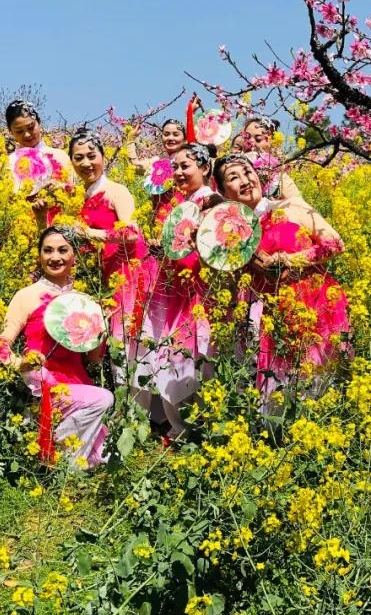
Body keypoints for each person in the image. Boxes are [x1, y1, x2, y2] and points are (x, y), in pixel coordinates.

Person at [213, 154, 349, 413]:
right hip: (276, 320)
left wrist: (289, 260)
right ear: (223, 191)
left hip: (319, 307)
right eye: (233, 177)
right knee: (280, 405)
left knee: (325, 397)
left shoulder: (291, 206)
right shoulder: (234, 232)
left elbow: (334, 244)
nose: (245, 180)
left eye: (247, 172)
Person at [0, 225, 111, 468]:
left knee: (108, 456)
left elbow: (93, 360)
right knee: (104, 399)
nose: (55, 257)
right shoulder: (26, 295)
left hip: (75, 381)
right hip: (41, 381)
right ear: (39, 255)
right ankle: (58, 455)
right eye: (47, 250)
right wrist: (22, 364)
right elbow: (1, 344)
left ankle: (60, 458)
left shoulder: (85, 300)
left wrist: (102, 329)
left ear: (74, 256)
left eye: (62, 250)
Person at [135, 143, 221, 438]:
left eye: (187, 166)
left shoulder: (213, 203)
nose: (180, 172)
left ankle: (197, 429)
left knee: (195, 358)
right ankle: (180, 428)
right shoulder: (176, 205)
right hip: (172, 289)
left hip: (200, 292)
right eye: (176, 168)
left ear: (205, 168)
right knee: (170, 355)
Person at [68, 129, 156, 355]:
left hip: (131, 273)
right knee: (120, 348)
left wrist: (89, 233)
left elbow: (131, 232)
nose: (86, 163)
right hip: (109, 277)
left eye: (91, 155)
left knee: (134, 345)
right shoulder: (82, 197)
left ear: (103, 158)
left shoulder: (116, 191)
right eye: (78, 158)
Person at [0, 100, 74, 228]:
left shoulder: (59, 155)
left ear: (39, 123)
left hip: (54, 233)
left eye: (31, 127)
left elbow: (73, 194)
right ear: (10, 132)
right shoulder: (7, 163)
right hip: (18, 234)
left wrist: (60, 187)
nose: (27, 135)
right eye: (19, 131)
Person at [237, 117, 305, 202]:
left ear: (271, 142)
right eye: (246, 137)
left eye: (258, 139)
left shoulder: (280, 178)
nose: (251, 143)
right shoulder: (233, 171)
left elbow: (297, 206)